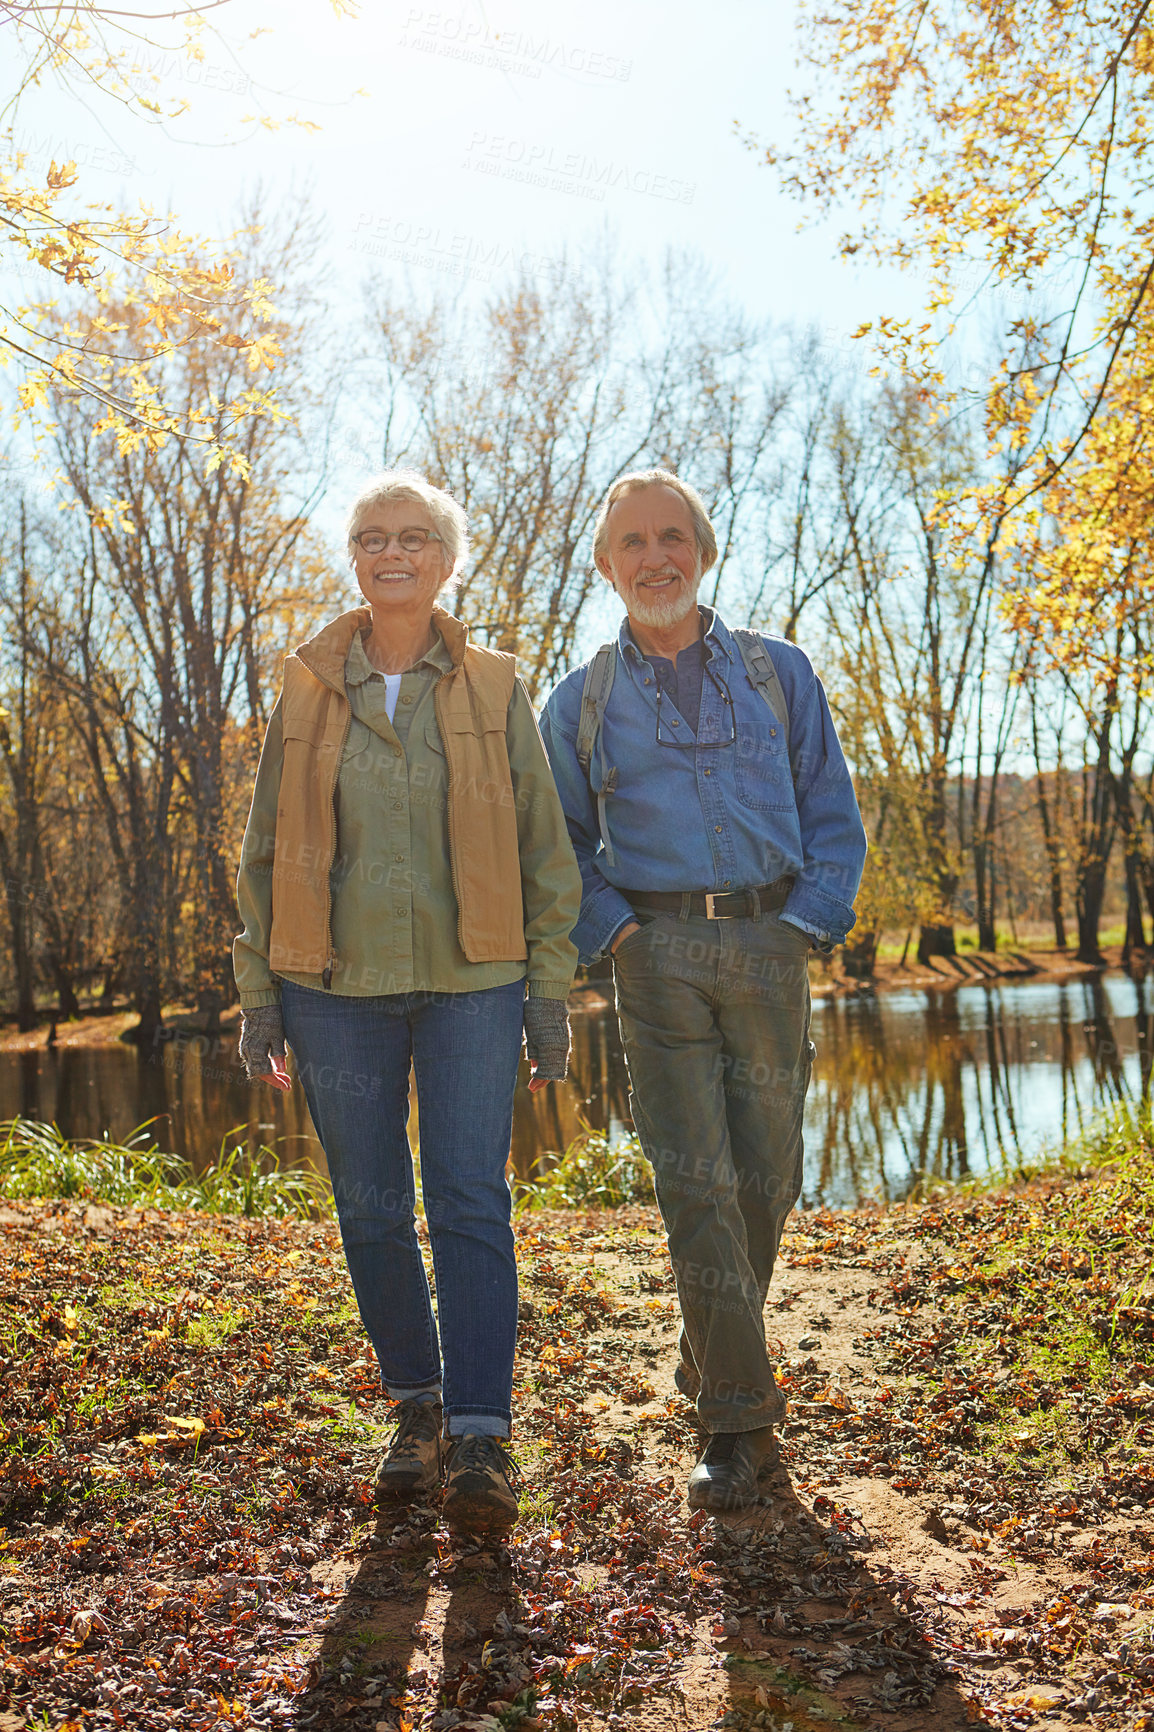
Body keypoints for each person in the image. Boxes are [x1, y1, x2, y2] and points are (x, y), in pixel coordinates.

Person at [234, 470, 582, 1539]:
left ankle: (480, 1432)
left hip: (476, 982)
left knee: (470, 1195)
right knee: (370, 1207)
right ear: (354, 558)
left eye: (415, 536)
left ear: (446, 558)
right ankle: (414, 1409)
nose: (393, 552)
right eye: (373, 537)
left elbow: (542, 845)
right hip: (331, 987)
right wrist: (259, 997)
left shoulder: (494, 683)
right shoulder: (305, 686)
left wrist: (548, 992)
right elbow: (260, 853)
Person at [540, 470, 866, 1512]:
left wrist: (803, 923)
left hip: (769, 943)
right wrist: (618, 934)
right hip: (656, 956)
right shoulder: (578, 699)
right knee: (694, 1185)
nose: (653, 556)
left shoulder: (779, 674)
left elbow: (832, 810)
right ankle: (736, 1423)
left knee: (764, 1179)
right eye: (630, 541)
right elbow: (551, 841)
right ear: (605, 565)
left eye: (670, 535)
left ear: (703, 549)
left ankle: (707, 1352)